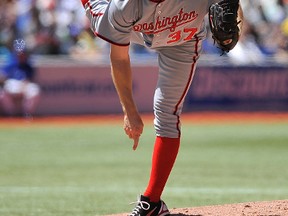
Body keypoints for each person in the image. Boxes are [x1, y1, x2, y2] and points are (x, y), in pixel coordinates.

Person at [80, 0, 243, 216]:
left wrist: (235, 24)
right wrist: (129, 111)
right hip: (135, 28)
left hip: (182, 40)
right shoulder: (124, 7)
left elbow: (233, 4)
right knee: (102, 20)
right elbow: (119, 59)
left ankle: (152, 202)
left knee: (167, 113)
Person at [0, 47, 41, 117]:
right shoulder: (11, 64)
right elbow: (2, 77)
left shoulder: (28, 66)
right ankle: (11, 114)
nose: (21, 56)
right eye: (19, 54)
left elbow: (30, 79)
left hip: (25, 85)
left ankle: (27, 114)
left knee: (35, 90)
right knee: (2, 92)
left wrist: (24, 85)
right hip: (12, 85)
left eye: (23, 54)